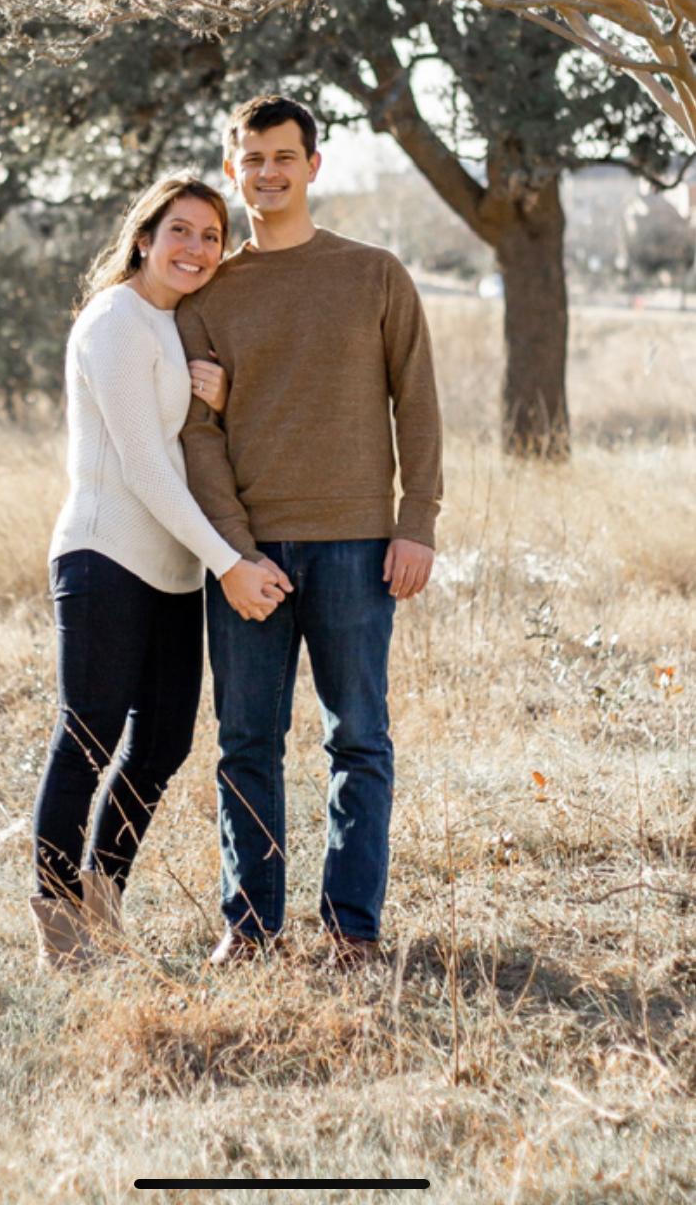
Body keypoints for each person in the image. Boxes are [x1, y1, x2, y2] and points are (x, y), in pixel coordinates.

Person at [178, 96, 442, 967]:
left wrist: (416, 522)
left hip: (359, 546)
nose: (268, 173)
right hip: (250, 554)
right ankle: (250, 927)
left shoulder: (374, 274)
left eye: (284, 157)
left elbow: (418, 404)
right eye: (252, 159)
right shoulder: (210, 292)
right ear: (233, 170)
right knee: (246, 743)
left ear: (313, 166)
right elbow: (198, 435)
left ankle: (351, 929)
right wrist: (231, 550)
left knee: (357, 738)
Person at [31, 177, 290, 972]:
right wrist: (231, 564)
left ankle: (102, 905)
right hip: (105, 556)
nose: (196, 249)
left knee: (164, 743)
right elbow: (145, 467)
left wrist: (220, 393)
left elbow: (188, 441)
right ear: (144, 237)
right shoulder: (115, 319)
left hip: (174, 570)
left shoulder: (176, 326)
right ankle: (59, 934)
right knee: (88, 737)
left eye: (211, 236)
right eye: (181, 230)